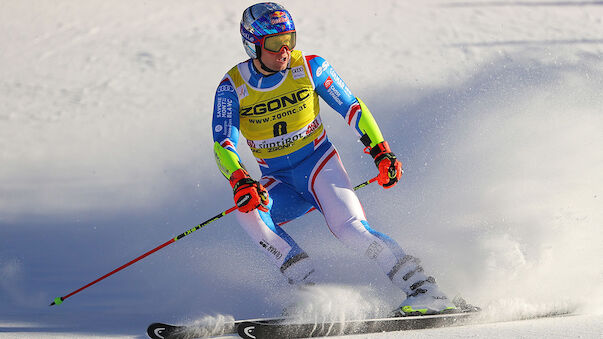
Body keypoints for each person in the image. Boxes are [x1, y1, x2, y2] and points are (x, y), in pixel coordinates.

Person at [212, 2, 456, 316]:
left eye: (290, 39)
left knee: (352, 229)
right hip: (277, 181)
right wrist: (241, 180)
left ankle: (426, 290)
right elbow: (223, 144)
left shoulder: (310, 67)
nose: (284, 50)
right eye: (274, 43)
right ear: (252, 45)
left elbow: (352, 108)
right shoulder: (232, 86)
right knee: (247, 211)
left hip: (319, 167)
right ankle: (311, 294)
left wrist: (381, 152)